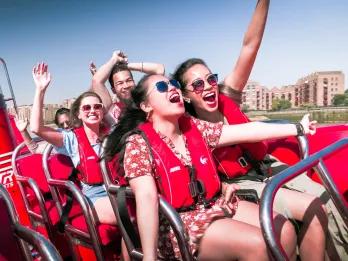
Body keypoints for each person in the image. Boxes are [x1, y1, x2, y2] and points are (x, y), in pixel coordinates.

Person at [172, 3, 347, 259]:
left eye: (211, 79)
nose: (208, 87)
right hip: (241, 182)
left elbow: (249, 45)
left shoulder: (226, 95)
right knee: (314, 207)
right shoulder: (188, 127)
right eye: (197, 84)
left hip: (266, 165)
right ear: (186, 95)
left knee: (329, 198)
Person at [103, 74, 327, 260]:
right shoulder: (138, 143)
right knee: (258, 244)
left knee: (284, 230)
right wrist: (149, 257)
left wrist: (298, 128)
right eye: (162, 86)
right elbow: (146, 198)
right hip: (178, 222)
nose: (173, 88)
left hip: (216, 203)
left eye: (175, 84)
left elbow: (246, 131)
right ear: (146, 106)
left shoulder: (195, 128)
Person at [91, 50, 165, 122]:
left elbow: (159, 69)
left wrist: (126, 65)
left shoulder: (147, 103)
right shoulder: (112, 110)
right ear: (113, 90)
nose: (126, 86)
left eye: (129, 80)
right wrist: (114, 59)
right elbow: (97, 81)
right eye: (120, 83)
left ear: (134, 82)